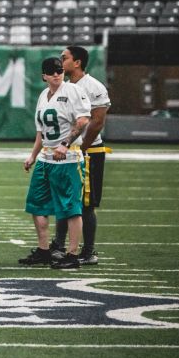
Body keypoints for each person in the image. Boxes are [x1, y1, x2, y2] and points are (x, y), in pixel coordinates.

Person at [19, 57, 91, 270]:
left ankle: (72, 254)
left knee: (71, 207)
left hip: (68, 158)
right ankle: (43, 251)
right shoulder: (44, 95)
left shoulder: (72, 91)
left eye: (59, 70)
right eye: (51, 71)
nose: (57, 74)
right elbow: (41, 132)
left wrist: (65, 143)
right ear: (44, 76)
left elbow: (83, 120)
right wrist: (33, 155)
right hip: (46, 158)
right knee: (37, 204)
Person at [51, 45, 111, 265]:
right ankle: (58, 245)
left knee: (86, 203)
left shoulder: (93, 86)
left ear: (77, 63)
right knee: (63, 198)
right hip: (65, 151)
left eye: (64, 58)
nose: (60, 62)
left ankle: (89, 251)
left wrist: (82, 146)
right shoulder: (62, 86)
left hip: (88, 151)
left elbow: (97, 121)